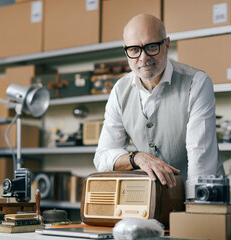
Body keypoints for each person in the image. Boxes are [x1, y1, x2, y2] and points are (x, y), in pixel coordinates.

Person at [93, 14, 224, 199]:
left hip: (202, 200)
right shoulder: (119, 91)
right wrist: (136, 157)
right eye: (134, 49)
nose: (143, 57)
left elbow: (200, 161)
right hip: (154, 203)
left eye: (151, 47)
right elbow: (102, 157)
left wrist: (191, 215)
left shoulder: (197, 83)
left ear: (167, 44)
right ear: (126, 50)